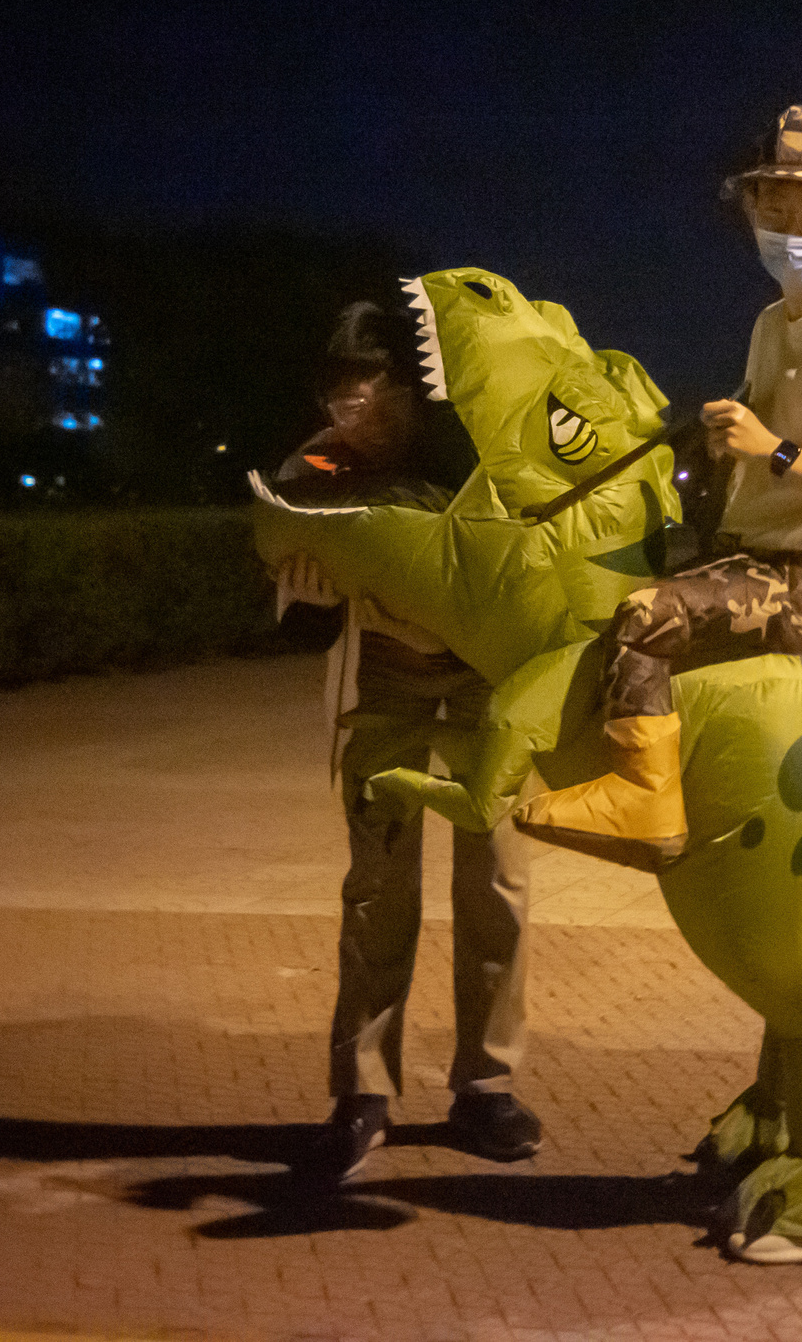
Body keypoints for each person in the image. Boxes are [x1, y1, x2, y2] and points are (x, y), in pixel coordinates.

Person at [515, 103, 802, 868]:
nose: (793, 227)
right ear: (751, 211)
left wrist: (773, 452)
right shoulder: (773, 322)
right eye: (776, 209)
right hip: (762, 560)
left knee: (645, 617)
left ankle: (645, 800)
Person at [270, 301, 543, 1181]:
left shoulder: (473, 447)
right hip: (383, 677)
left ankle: (487, 1087)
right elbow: (284, 580)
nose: (358, 420)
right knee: (378, 887)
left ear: (415, 393)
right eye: (343, 401)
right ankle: (362, 1090)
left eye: (376, 401)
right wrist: (303, 595)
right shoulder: (315, 464)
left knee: (496, 877)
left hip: (483, 678)